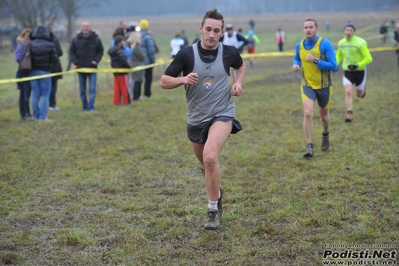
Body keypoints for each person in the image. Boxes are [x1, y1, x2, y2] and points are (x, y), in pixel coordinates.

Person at [160, 8, 245, 230]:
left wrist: (238, 83)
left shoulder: (229, 52)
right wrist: (183, 80)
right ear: (201, 29)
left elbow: (240, 65)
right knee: (207, 166)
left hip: (222, 112)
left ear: (222, 32)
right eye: (208, 29)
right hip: (196, 118)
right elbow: (164, 80)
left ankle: (212, 209)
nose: (211, 34)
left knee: (209, 159)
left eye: (216, 31)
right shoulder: (186, 55)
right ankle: (217, 192)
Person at [292, 19, 338, 158]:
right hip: (308, 85)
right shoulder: (299, 45)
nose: (308, 30)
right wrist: (296, 65)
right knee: (307, 112)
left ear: (316, 29)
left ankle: (325, 134)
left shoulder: (325, 44)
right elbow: (297, 58)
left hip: (324, 86)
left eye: (311, 27)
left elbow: (334, 66)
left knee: (323, 116)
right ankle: (309, 146)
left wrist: (316, 60)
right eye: (306, 27)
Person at [336, 23, 373, 123]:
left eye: (350, 30)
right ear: (344, 31)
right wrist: (334, 64)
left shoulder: (360, 43)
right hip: (348, 72)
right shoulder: (341, 43)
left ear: (354, 32)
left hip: (360, 71)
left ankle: (363, 90)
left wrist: (358, 65)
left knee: (359, 95)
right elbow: (339, 56)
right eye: (346, 30)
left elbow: (369, 58)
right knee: (348, 91)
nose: (348, 32)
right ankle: (349, 114)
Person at [69, 21, 104, 112]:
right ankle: (85, 106)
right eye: (84, 27)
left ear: (90, 28)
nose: (85, 29)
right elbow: (71, 52)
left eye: (87, 27)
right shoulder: (76, 39)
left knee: (92, 89)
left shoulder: (96, 39)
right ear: (81, 28)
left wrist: (96, 60)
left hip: (92, 68)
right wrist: (76, 62)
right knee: (82, 90)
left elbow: (100, 51)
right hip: (81, 68)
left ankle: (91, 107)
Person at [29, 25, 58, 122]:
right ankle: (42, 117)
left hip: (32, 72)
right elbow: (55, 59)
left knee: (35, 94)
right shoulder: (50, 44)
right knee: (45, 94)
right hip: (45, 71)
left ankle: (36, 116)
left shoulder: (31, 44)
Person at [15, 28, 35, 121]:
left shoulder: (31, 45)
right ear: (23, 36)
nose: (28, 38)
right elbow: (18, 58)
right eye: (27, 36)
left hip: (29, 72)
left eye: (29, 36)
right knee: (24, 94)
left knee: (28, 94)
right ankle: (24, 113)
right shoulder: (21, 45)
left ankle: (27, 112)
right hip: (22, 72)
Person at [108, 35, 132, 106]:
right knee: (124, 87)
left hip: (115, 71)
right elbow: (123, 60)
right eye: (123, 41)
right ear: (119, 42)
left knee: (116, 87)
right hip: (122, 71)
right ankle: (126, 102)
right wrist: (128, 67)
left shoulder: (112, 50)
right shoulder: (120, 50)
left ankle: (116, 102)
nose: (124, 42)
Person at [47, 24, 63, 111]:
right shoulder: (54, 39)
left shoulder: (39, 40)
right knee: (53, 86)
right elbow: (60, 52)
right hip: (54, 66)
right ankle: (52, 104)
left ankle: (46, 104)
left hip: (43, 67)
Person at [139, 19, 156, 99]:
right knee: (148, 78)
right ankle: (147, 94)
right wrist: (153, 61)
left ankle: (137, 95)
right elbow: (151, 50)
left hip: (139, 61)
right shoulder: (148, 37)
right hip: (148, 61)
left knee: (138, 78)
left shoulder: (137, 35)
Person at [129, 33, 145, 103]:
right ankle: (136, 97)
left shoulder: (131, 46)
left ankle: (137, 97)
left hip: (134, 65)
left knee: (137, 81)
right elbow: (142, 56)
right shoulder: (136, 47)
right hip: (137, 65)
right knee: (137, 82)